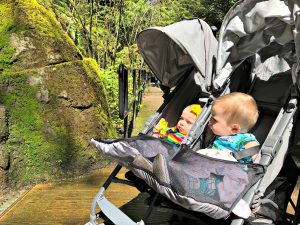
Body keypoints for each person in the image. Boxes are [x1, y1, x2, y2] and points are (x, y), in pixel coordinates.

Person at [199, 92, 259, 163]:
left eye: (214, 120)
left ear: (234, 129)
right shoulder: (220, 135)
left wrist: (256, 161)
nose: (210, 120)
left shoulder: (244, 139)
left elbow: (255, 151)